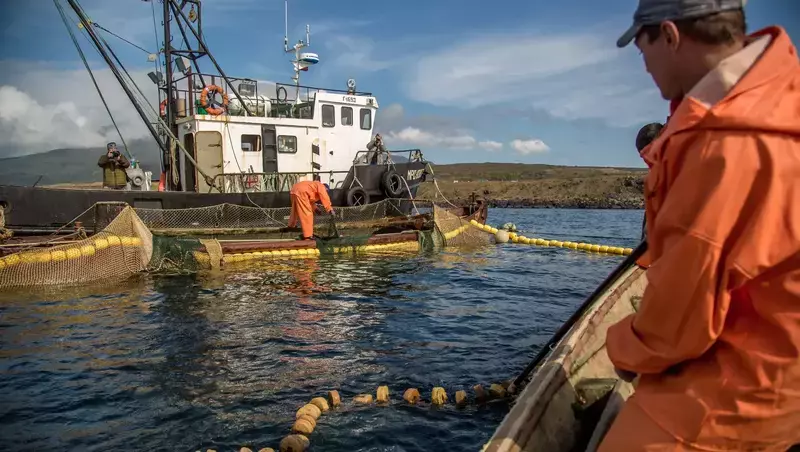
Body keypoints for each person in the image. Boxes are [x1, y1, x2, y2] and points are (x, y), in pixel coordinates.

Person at [599, 1, 800, 451]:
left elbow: (677, 326)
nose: (646, 68)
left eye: (642, 50)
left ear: (670, 36)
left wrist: (620, 347)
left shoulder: (726, 142)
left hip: (753, 380)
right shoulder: (777, 95)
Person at [288, 175, 335, 240]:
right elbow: (324, 197)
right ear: (326, 189)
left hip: (294, 190)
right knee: (307, 214)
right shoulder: (321, 186)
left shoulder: (313, 187)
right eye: (326, 191)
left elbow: (310, 202)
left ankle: (291, 225)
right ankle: (308, 235)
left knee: (295, 209)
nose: (326, 192)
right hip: (302, 192)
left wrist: (316, 209)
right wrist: (329, 209)